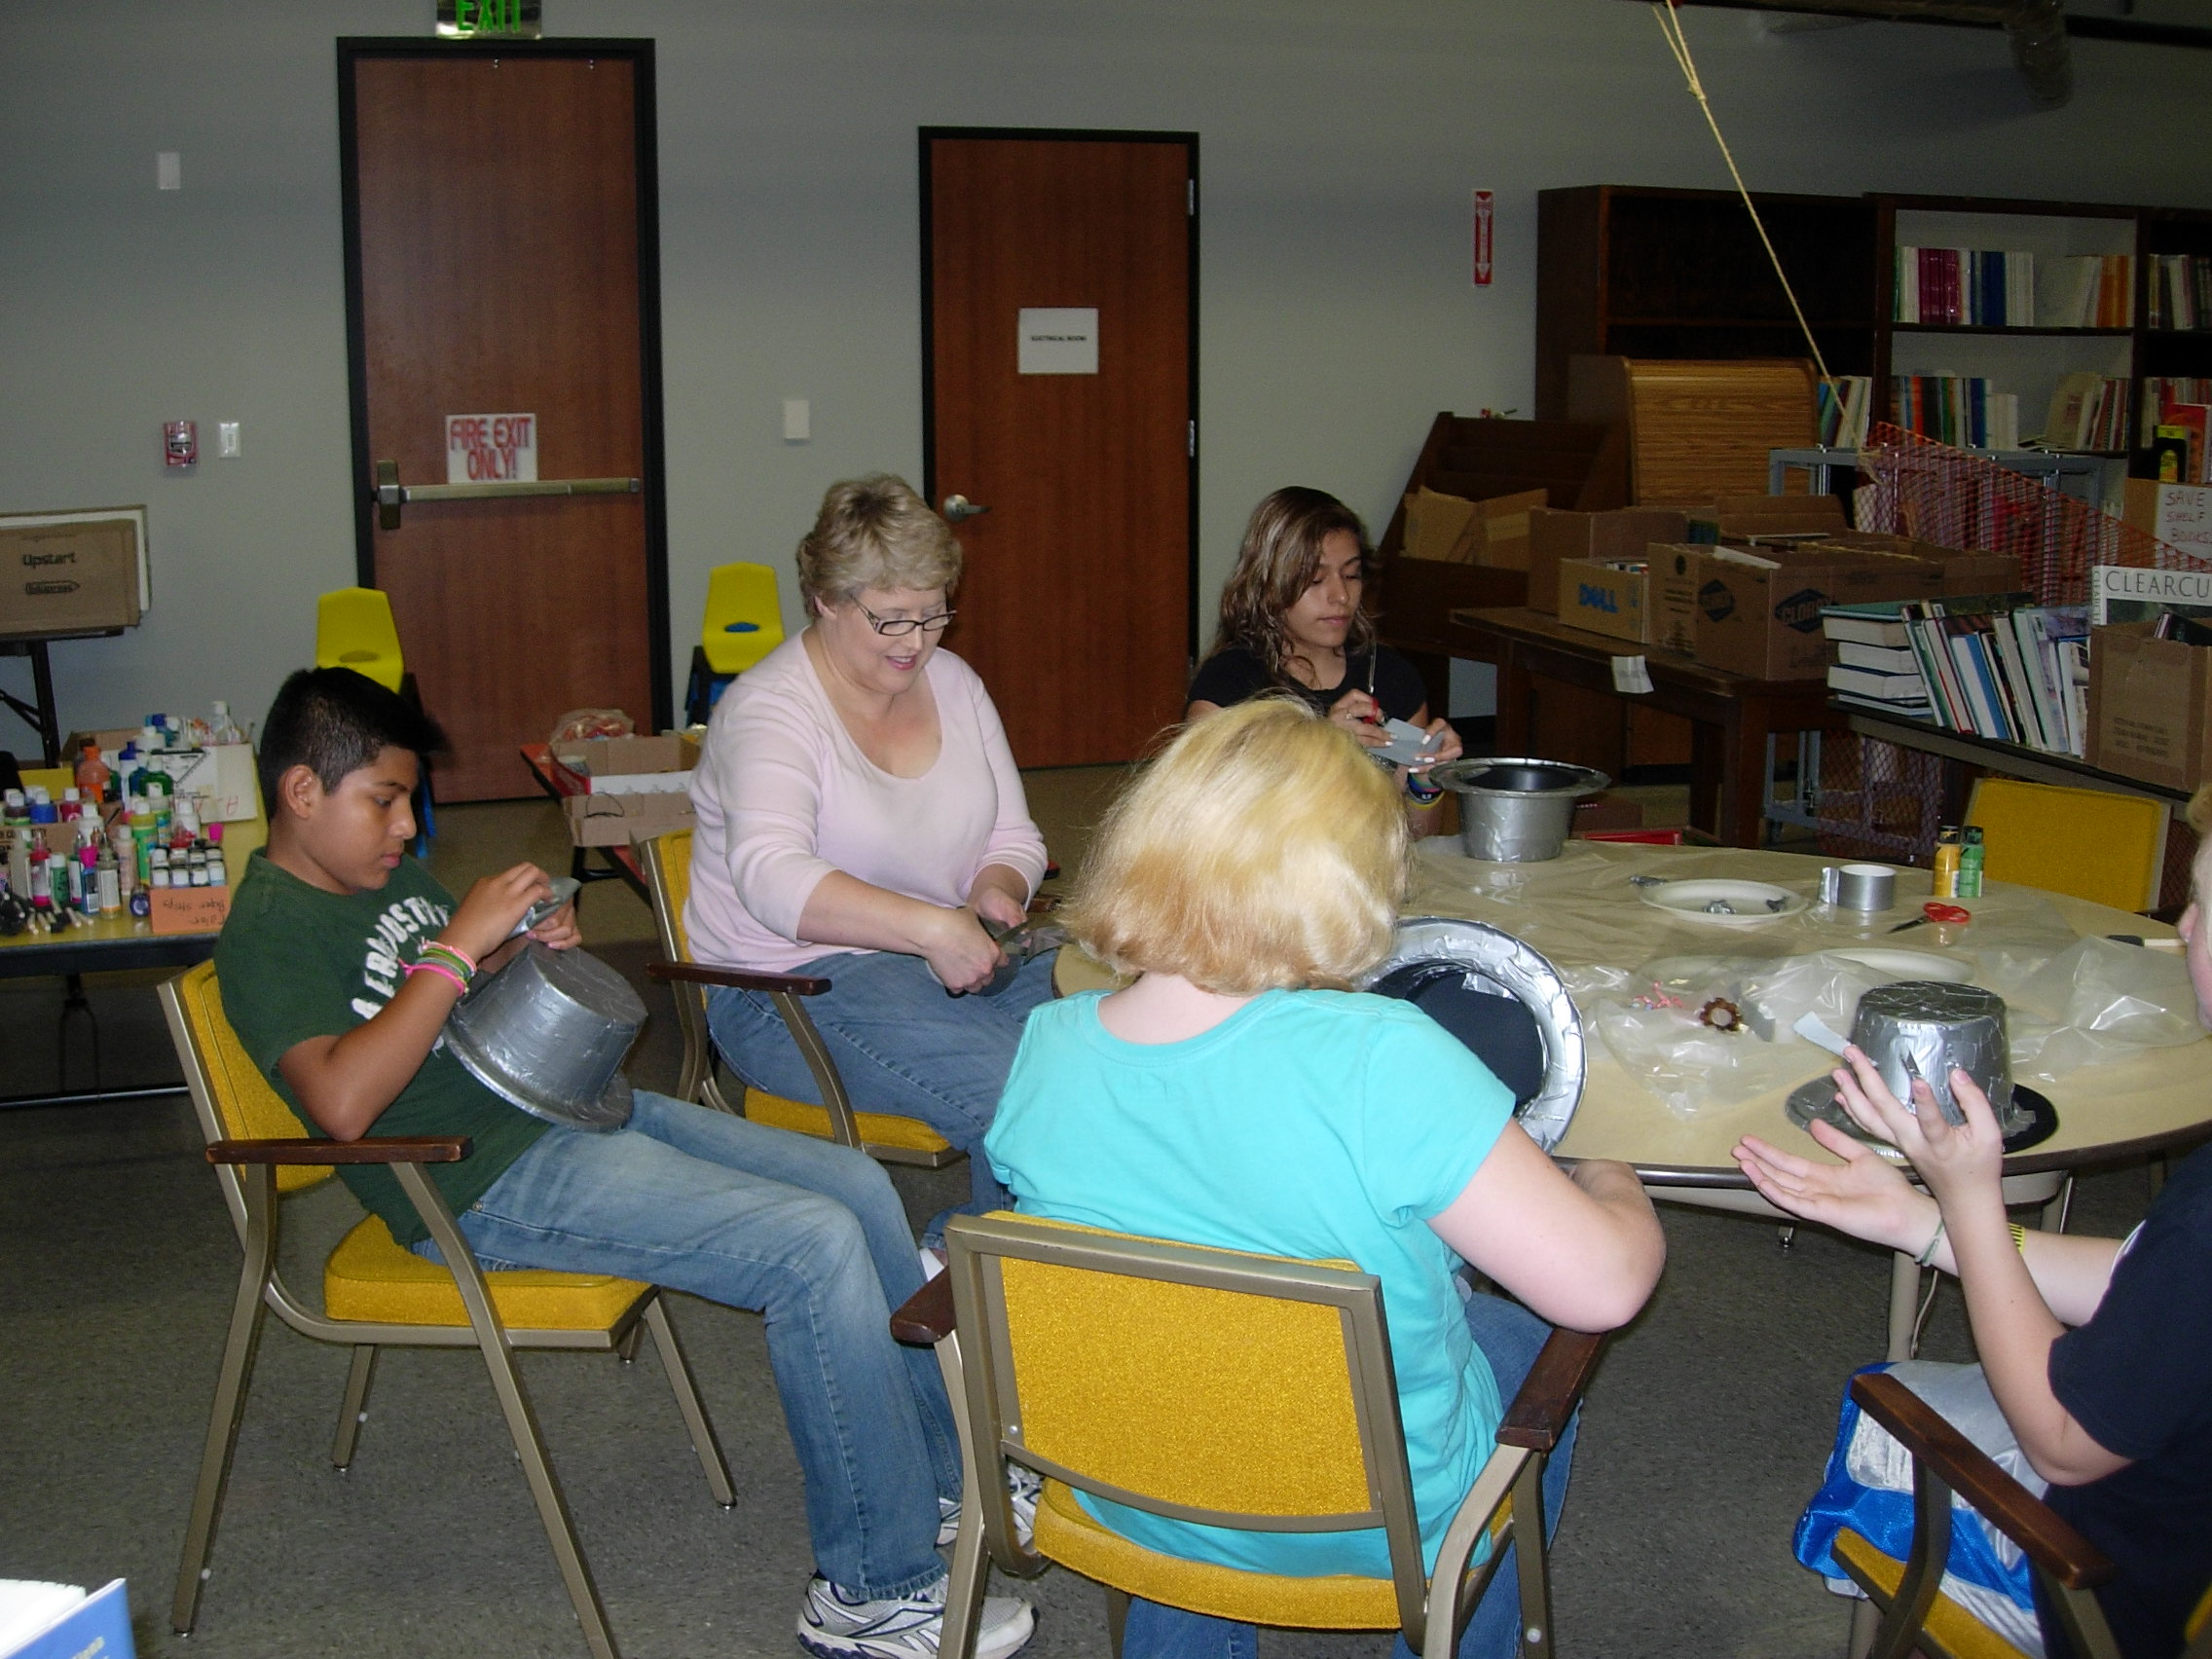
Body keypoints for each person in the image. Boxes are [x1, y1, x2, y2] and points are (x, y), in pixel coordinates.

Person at [215, 667, 1035, 1659]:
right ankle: (870, 1586)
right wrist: (457, 952)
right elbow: (343, 1104)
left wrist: (518, 950)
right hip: (474, 1178)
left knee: (856, 1186)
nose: (405, 828)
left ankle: (940, 1480)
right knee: (810, 1249)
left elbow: (454, 995)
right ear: (303, 793)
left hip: (556, 1106)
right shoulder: (268, 933)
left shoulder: (378, 881)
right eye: (384, 802)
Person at [984, 699, 1665, 1659]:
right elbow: (1606, 1286)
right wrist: (1613, 1183)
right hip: (1368, 1519)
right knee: (1518, 1333)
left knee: (1178, 1319)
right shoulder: (1383, 1058)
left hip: (1129, 1489)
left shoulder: (1047, 1048)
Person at [1734, 793, 2212, 1659]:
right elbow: (2148, 1286)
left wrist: (1969, 1199)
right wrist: (1926, 1223)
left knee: (1886, 1404)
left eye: (2205, 908)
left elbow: (2063, 1442)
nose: (2181, 929)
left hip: (2103, 1591)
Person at [688, 476, 1051, 1210]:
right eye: (891, 619)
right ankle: (959, 1277)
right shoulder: (771, 711)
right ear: (826, 600)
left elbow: (1014, 835)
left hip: (931, 955)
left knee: (1118, 1040)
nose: (916, 642)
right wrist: (930, 927)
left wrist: (996, 889)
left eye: (934, 615)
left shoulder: (954, 684)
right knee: (1028, 1092)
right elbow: (771, 876)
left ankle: (1029, 1262)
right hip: (787, 988)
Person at [1185, 487, 1462, 830]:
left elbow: (1415, 837)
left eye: (1351, 575)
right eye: (1315, 579)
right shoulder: (1227, 685)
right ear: (1268, 584)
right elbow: (1201, 827)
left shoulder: (1392, 677)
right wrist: (1320, 751)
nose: (1341, 595)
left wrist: (1424, 780)